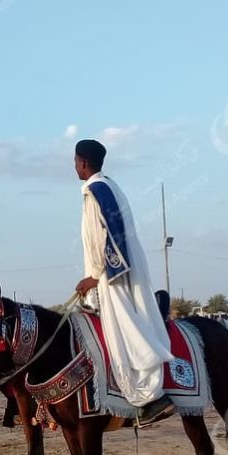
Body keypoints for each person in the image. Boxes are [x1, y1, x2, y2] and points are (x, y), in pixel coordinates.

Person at [72, 138, 173, 422]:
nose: (74, 166)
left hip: (114, 274)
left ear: (83, 162)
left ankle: (149, 398)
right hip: (117, 270)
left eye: (75, 161)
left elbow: (110, 236)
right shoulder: (108, 186)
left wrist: (95, 276)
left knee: (125, 332)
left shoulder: (97, 191)